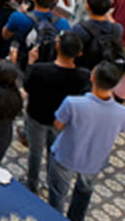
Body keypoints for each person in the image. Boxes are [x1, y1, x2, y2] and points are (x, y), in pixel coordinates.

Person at [48, 61, 125, 221]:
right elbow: (122, 129)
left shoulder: (73, 103)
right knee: (84, 192)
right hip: (95, 159)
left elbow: (58, 124)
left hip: (67, 154)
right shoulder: (124, 113)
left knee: (58, 192)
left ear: (92, 77)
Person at [23, 30, 91, 196]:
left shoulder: (40, 69)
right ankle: (50, 181)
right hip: (61, 121)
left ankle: (32, 182)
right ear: (79, 53)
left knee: (35, 150)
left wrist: (30, 62)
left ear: (57, 46)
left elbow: (27, 86)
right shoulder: (83, 76)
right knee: (54, 152)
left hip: (37, 115)